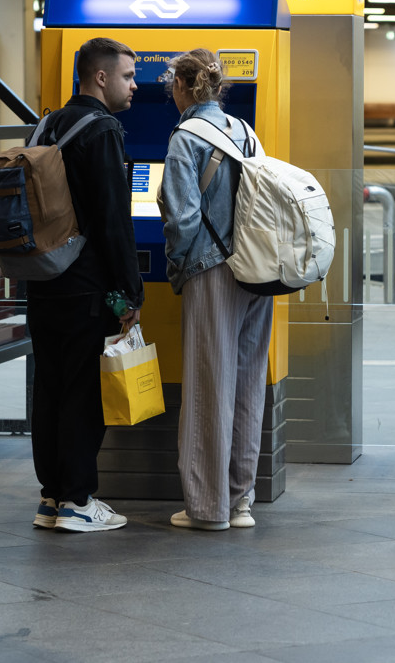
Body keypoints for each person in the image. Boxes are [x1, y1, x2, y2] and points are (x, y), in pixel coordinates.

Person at [27, 36, 143, 533]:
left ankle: (52, 496)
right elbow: (113, 219)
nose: (135, 86)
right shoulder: (103, 131)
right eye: (128, 76)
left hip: (43, 277)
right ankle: (78, 500)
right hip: (84, 285)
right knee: (81, 393)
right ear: (101, 77)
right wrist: (131, 291)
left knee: (50, 387)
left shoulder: (49, 123)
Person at [158, 48, 272, 531]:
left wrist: (176, 267)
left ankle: (207, 509)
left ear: (181, 86)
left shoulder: (185, 138)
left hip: (212, 271)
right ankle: (239, 501)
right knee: (247, 383)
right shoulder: (246, 132)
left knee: (209, 387)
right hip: (258, 271)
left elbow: (182, 221)